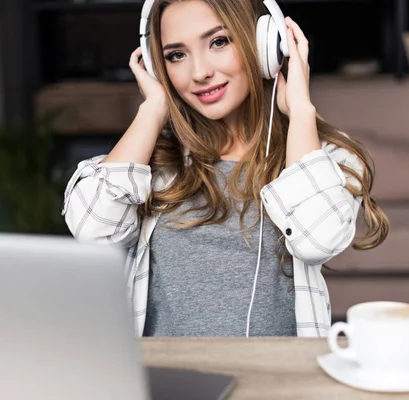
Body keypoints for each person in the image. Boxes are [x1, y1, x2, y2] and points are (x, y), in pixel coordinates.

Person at [62, 0, 389, 338]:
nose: (199, 71)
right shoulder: (154, 160)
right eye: (176, 55)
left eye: (218, 42)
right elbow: (93, 233)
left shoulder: (325, 157)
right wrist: (153, 108)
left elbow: (317, 242)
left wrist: (301, 111)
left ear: (266, 46)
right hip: (166, 382)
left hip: (273, 383)